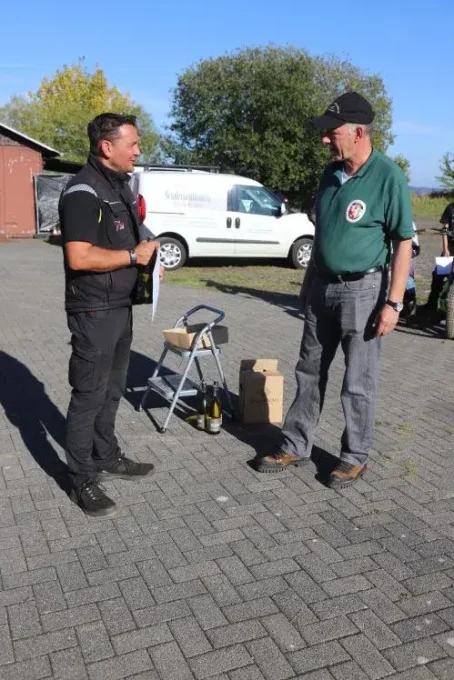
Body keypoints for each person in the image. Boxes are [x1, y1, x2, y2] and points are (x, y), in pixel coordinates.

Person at [257, 92, 413, 488]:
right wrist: (308, 282)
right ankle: (295, 445)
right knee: (308, 370)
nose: (325, 139)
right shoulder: (330, 175)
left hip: (364, 291)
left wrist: (393, 303)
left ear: (358, 132)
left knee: (358, 380)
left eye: (332, 132)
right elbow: (323, 233)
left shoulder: (388, 176)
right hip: (321, 288)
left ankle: (354, 457)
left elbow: (403, 243)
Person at [59, 113, 160, 516]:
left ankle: (106, 455)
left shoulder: (118, 186)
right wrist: (133, 256)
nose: (138, 150)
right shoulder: (83, 191)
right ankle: (82, 479)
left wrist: (148, 250)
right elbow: (79, 256)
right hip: (93, 310)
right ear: (107, 147)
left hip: (119, 306)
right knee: (89, 394)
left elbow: (129, 237)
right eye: (132, 144)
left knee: (113, 389)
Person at [421, 202, 454, 313]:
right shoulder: (450, 208)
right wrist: (445, 249)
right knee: (438, 275)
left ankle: (448, 309)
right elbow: (444, 231)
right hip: (450, 248)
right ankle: (432, 304)